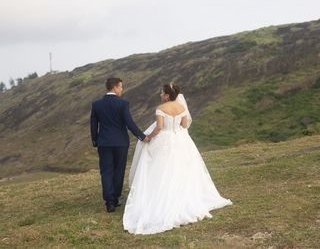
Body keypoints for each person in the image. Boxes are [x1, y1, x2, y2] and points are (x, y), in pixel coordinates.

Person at [123, 83, 232, 234]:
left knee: (161, 169)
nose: (160, 95)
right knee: (181, 169)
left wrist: (149, 137)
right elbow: (185, 125)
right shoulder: (182, 108)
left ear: (167, 95)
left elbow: (159, 127)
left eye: (162, 93)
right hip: (180, 140)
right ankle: (184, 198)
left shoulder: (161, 109)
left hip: (165, 141)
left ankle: (160, 199)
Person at [90, 77, 150, 212]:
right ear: (115, 87)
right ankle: (116, 198)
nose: (122, 89)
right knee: (119, 170)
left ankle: (109, 202)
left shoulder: (96, 104)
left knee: (106, 171)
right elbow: (129, 123)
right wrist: (141, 136)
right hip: (121, 143)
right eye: (121, 87)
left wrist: (95, 140)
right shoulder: (123, 103)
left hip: (104, 143)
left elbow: (94, 125)